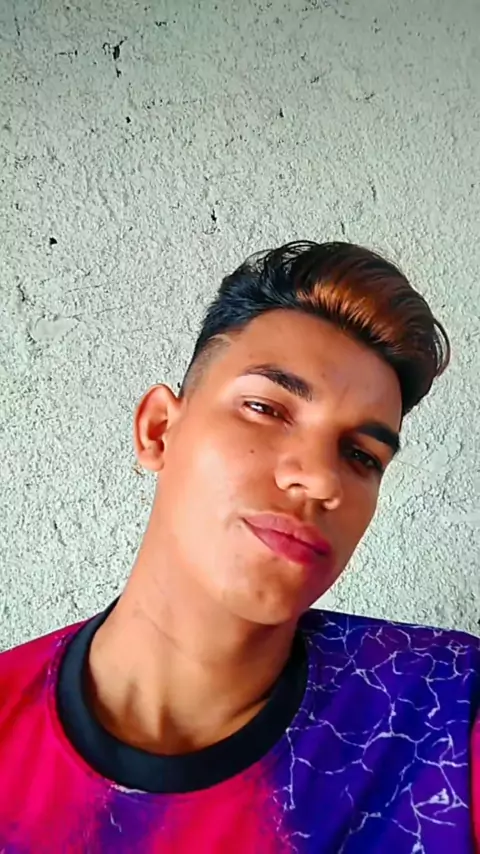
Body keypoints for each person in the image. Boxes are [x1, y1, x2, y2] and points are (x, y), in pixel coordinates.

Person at [0, 240, 479, 853]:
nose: (321, 480)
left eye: (361, 456)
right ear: (159, 430)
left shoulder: (445, 709)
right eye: (266, 408)